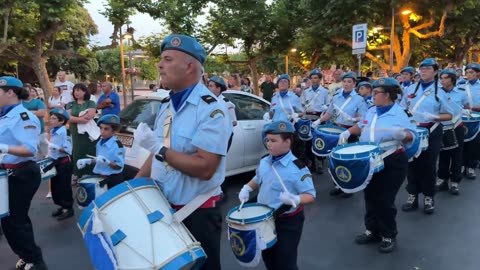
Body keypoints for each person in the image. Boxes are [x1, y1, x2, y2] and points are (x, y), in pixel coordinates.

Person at [134, 34, 230, 270]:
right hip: (163, 208)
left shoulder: (211, 109)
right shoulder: (167, 105)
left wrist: (160, 149)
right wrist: (132, 190)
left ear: (189, 66)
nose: (159, 65)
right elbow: (157, 153)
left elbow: (205, 168)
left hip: (197, 213)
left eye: (167, 59)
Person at [341, 78, 415, 253]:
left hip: (392, 161)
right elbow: (360, 126)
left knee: (384, 199)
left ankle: (388, 234)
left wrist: (402, 135)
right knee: (370, 196)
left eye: (376, 93)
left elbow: (411, 136)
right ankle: (372, 229)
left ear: (387, 95)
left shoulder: (399, 113)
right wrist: (346, 132)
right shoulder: (371, 111)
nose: (372, 96)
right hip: (370, 159)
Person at [238, 120, 316, 269]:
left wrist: (296, 198)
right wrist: (247, 188)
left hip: (288, 221)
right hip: (265, 219)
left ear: (287, 142)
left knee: (286, 261)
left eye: (273, 140)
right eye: (267, 140)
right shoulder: (264, 162)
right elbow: (258, 178)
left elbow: (311, 195)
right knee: (269, 257)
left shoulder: (298, 168)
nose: (269, 144)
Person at [0, 76, 48, 270]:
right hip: (7, 173)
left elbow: (30, 149)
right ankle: (25, 256)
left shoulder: (24, 117)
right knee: (7, 220)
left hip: (22, 173)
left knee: (17, 220)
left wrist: (3, 148)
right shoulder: (5, 114)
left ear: (10, 92)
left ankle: (36, 260)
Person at [400, 58, 454, 214]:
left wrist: (435, 117)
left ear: (435, 71)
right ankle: (412, 195)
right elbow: (402, 108)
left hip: (432, 131)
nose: (423, 70)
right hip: (412, 131)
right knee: (411, 163)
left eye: (428, 68)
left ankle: (429, 196)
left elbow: (449, 114)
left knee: (428, 165)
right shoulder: (410, 89)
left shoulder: (441, 91)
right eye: (421, 68)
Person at [315, 71, 367, 197]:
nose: (346, 84)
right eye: (344, 81)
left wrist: (355, 120)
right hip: (336, 131)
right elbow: (329, 113)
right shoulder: (336, 96)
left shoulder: (359, 99)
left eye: (349, 82)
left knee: (349, 161)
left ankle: (350, 187)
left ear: (354, 84)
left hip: (350, 132)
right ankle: (338, 184)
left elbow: (364, 118)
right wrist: (318, 121)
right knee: (335, 159)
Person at [437, 69, 470, 194]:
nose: (442, 80)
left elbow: (467, 108)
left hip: (456, 126)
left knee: (457, 155)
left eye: (445, 78)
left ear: (452, 79)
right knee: (443, 154)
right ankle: (442, 179)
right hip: (442, 126)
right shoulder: (437, 93)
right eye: (441, 78)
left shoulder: (461, 93)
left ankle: (455, 181)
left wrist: (466, 112)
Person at [77, 114, 125, 189]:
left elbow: (119, 166)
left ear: (114, 131)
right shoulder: (100, 143)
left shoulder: (117, 145)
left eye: (106, 129)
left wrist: (108, 163)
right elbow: (99, 160)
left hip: (112, 179)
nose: (102, 132)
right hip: (100, 176)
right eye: (101, 128)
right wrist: (89, 161)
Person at [47, 108, 74, 220]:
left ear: (61, 121)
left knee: (64, 186)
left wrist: (56, 147)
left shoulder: (65, 131)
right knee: (56, 186)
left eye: (54, 118)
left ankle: (68, 208)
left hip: (63, 163)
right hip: (55, 162)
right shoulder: (54, 130)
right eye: (51, 117)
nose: (50, 120)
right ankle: (61, 205)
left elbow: (68, 149)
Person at [300, 69, 329, 173]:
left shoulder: (325, 91)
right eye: (312, 78)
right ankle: (311, 162)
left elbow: (329, 105)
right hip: (308, 118)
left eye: (316, 78)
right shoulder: (306, 91)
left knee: (319, 141)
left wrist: (325, 108)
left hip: (319, 119)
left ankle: (320, 162)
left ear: (320, 79)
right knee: (308, 142)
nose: (313, 80)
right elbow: (302, 105)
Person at [67, 83, 97, 181]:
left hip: (88, 133)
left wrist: (76, 119)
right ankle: (78, 174)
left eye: (79, 90)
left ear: (84, 92)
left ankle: (90, 173)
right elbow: (68, 118)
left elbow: (90, 116)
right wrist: (81, 119)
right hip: (75, 132)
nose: (76, 92)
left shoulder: (91, 103)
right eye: (75, 90)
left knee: (89, 151)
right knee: (77, 152)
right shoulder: (70, 104)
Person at [462, 63, 480, 179]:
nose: (469, 75)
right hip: (464, 118)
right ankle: (462, 164)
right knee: (463, 142)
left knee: (475, 144)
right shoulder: (461, 85)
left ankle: (471, 166)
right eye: (467, 72)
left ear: (478, 73)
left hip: (478, 119)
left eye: (471, 72)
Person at [22, 85, 48, 159]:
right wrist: (35, 112)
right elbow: (18, 115)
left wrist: (26, 113)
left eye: (27, 90)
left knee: (45, 155)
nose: (25, 92)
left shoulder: (38, 101)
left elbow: (42, 113)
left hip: (40, 132)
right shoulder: (19, 103)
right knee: (33, 156)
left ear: (30, 91)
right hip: (27, 133)